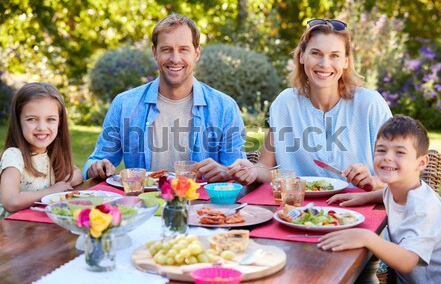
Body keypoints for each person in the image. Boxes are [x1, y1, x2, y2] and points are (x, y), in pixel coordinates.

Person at [228, 18, 392, 190]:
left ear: (345, 61)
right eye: (316, 53)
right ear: (302, 56)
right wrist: (252, 170)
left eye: (334, 55)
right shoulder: (285, 104)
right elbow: (265, 166)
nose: (324, 64)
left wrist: (373, 181)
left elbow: (400, 173)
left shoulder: (370, 104)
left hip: (359, 210)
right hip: (297, 210)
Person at [84, 13, 246, 182]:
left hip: (201, 205)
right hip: (144, 205)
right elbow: (96, 161)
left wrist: (226, 172)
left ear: (196, 53)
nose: (175, 59)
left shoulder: (224, 108)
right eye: (166, 49)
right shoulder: (124, 105)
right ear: (155, 52)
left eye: (184, 49)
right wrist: (96, 167)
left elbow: (239, 171)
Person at [319, 115, 441, 283]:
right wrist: (363, 197)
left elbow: (407, 261)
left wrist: (367, 237)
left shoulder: (422, 209)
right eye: (381, 150)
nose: (387, 157)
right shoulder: (398, 188)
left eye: (400, 152)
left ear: (421, 162)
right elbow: (386, 193)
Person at [0, 82, 83, 217]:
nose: (41, 127)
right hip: (12, 231)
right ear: (18, 121)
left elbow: (77, 174)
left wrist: (61, 182)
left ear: (59, 122)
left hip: (38, 227)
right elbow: (11, 201)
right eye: (32, 119)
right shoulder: (14, 156)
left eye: (50, 119)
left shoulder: (49, 152)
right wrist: (51, 190)